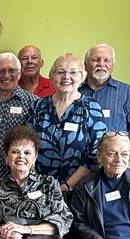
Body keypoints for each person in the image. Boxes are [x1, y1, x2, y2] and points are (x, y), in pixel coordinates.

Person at [28, 53, 107, 192]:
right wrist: (38, 182)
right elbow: (26, 146)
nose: (66, 77)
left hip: (79, 190)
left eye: (73, 72)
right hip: (40, 188)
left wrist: (67, 185)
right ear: (52, 76)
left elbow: (96, 153)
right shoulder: (38, 106)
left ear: (82, 77)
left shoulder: (91, 108)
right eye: (60, 72)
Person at [79, 43, 130, 168]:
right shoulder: (75, 92)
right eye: (95, 60)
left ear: (112, 65)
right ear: (85, 65)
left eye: (106, 60)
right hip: (78, 169)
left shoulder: (126, 93)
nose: (101, 64)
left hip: (114, 167)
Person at [0, 53, 38, 188]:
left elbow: (35, 144)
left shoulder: (33, 102)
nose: (6, 75)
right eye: (1, 71)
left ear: (19, 73)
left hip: (18, 179)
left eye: (11, 70)